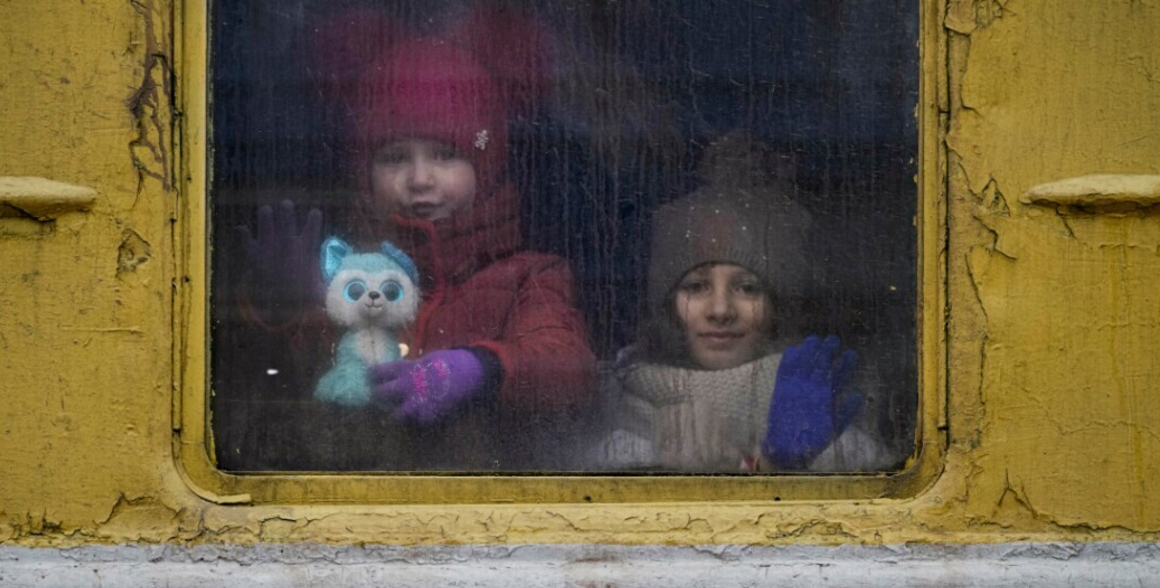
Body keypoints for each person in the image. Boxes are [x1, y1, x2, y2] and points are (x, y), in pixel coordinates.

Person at [219, 10, 596, 471]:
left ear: (487, 163)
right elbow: (273, 380)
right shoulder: (340, 274)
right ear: (365, 172)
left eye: (445, 155)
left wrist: (481, 368)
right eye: (395, 157)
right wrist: (280, 305)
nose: (420, 179)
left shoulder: (529, 277)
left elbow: (567, 364)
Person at [595, 135, 902, 473]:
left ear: (778, 308)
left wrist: (777, 468)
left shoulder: (838, 444)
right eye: (696, 287)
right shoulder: (618, 450)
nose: (720, 311)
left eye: (747, 288)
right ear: (669, 308)